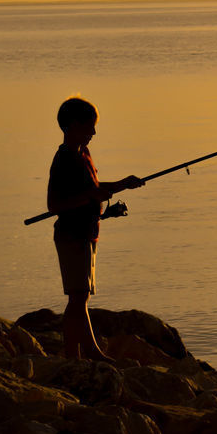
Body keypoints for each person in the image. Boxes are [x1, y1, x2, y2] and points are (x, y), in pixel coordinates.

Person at [47, 96, 143, 361]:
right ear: (73, 125)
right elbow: (54, 204)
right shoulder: (64, 158)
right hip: (71, 236)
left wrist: (119, 189)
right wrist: (91, 199)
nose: (94, 132)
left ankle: (84, 353)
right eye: (90, 126)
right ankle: (78, 355)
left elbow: (91, 192)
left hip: (88, 232)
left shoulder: (83, 154)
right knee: (77, 298)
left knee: (82, 297)